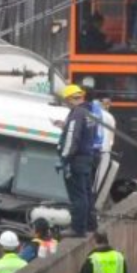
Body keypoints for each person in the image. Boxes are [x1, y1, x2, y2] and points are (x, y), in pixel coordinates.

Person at [56, 84, 99, 236]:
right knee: (87, 194)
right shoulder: (89, 112)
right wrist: (65, 126)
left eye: (66, 101)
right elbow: (87, 135)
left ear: (69, 99)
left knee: (78, 196)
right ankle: (91, 225)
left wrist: (64, 158)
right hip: (88, 158)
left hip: (76, 160)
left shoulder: (76, 113)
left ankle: (77, 228)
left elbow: (72, 138)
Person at [90, 93, 116, 194]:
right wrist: (109, 147)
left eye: (109, 104)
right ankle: (94, 194)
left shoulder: (89, 112)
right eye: (106, 103)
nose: (107, 106)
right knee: (99, 176)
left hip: (92, 148)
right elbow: (111, 137)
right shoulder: (109, 117)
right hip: (104, 150)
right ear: (100, 103)